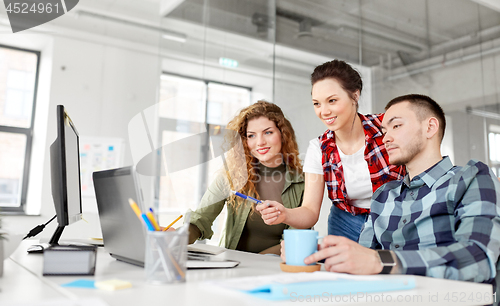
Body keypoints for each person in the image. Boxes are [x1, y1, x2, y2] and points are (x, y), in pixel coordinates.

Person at [300, 94, 500, 284]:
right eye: (384, 131)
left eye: (396, 126)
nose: (385, 138)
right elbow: (361, 259)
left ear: (430, 127)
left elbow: (478, 258)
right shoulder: (383, 196)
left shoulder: (472, 178)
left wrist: (383, 261)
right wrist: (312, 254)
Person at [258, 60, 405, 241]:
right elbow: (310, 211)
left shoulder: (387, 127)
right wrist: (284, 214)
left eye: (332, 101)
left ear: (355, 96)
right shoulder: (318, 148)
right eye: (317, 104)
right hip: (346, 223)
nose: (324, 111)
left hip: (396, 217)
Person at [186, 100, 305, 255]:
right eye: (251, 136)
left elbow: (296, 239)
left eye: (268, 132)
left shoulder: (303, 182)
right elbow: (201, 219)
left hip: (275, 268)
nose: (260, 142)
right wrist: (178, 238)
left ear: (283, 134)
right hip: (232, 267)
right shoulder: (231, 175)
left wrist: (256, 263)